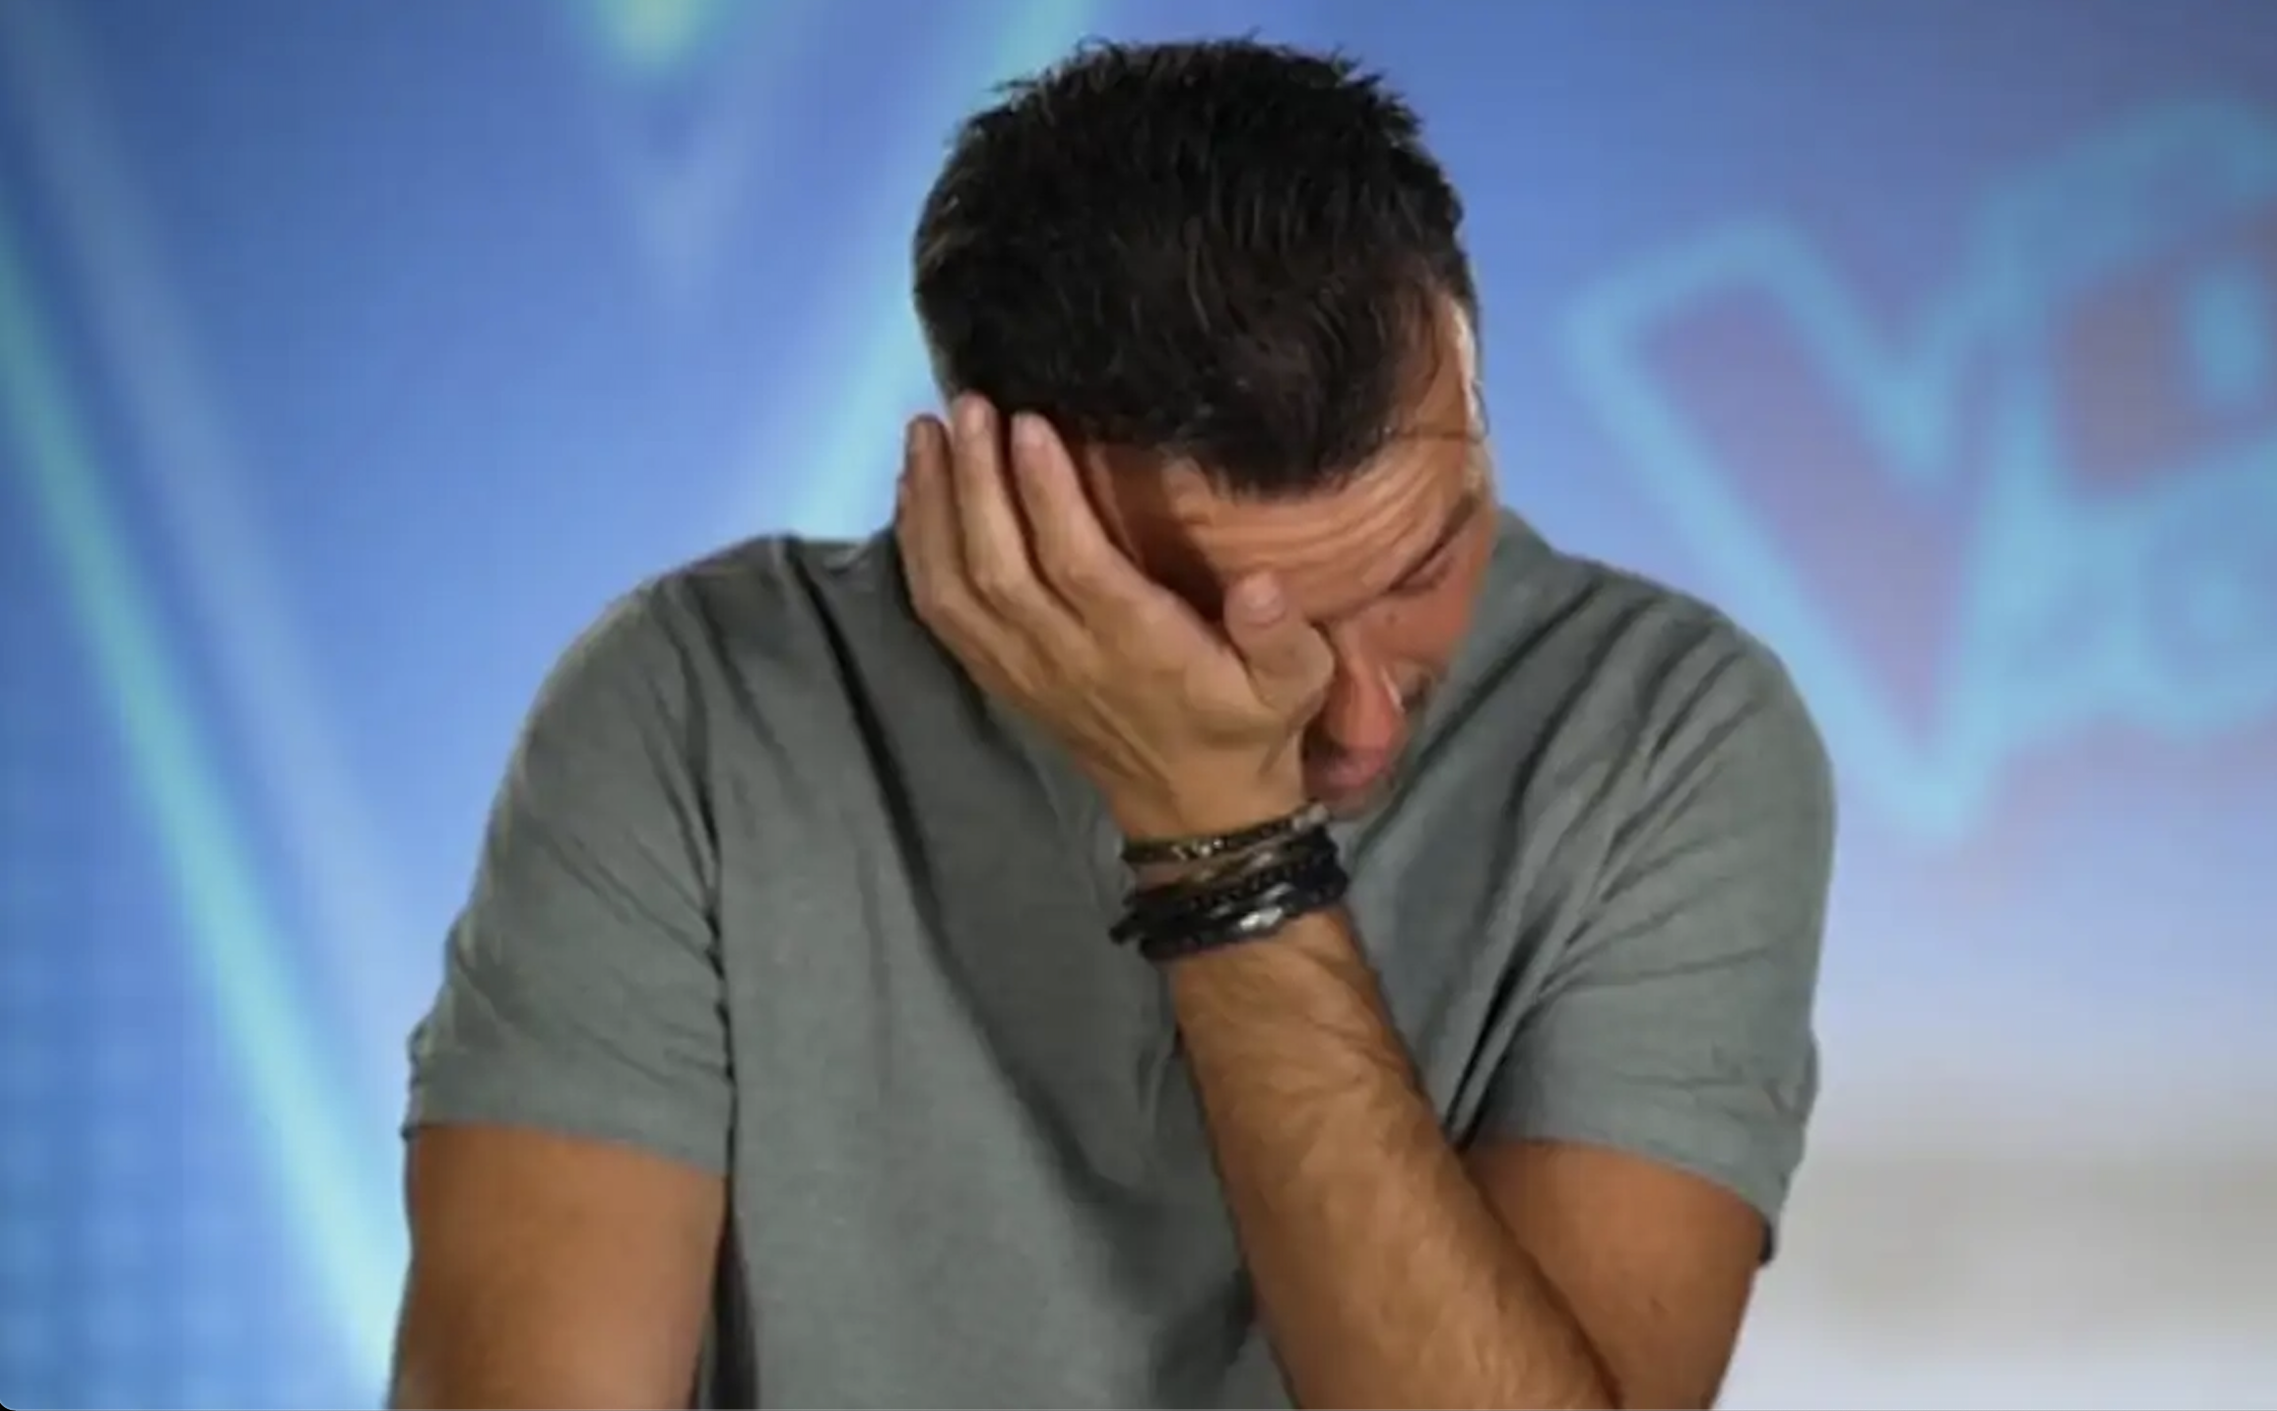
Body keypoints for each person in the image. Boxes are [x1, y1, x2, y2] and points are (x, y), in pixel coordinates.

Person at [389, 35, 1834, 1411]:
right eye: (1220, 619)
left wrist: (1228, 843)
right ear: (995, 509)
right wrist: (1211, 811)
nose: (1357, 715)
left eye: (1422, 566)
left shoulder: (1669, 736)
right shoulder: (696, 706)